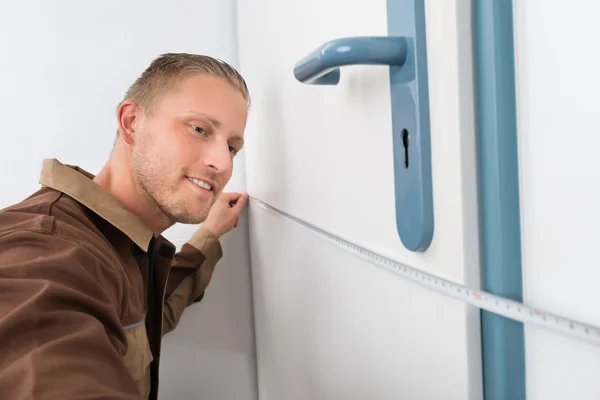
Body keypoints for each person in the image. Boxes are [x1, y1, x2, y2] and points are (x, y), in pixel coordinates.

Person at [0, 53, 250, 399]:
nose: (222, 162)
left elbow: (147, 316)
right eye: (199, 129)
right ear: (131, 122)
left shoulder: (122, 243)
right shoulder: (41, 250)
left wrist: (210, 234)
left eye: (232, 147)